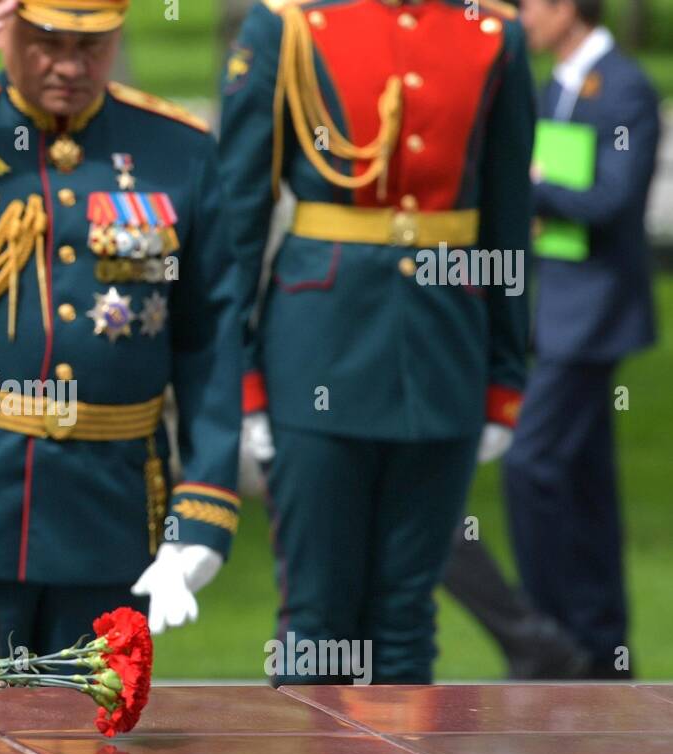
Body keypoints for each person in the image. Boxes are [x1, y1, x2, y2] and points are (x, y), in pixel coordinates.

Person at [0, 0, 244, 657]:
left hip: (114, 504)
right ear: (3, 32)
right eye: (46, 42)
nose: (69, 66)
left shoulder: (175, 147)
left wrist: (203, 511)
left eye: (92, 46)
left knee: (96, 735)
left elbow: (211, 336)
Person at [221, 0, 533, 683]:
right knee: (317, 615)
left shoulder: (493, 34)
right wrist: (239, 379)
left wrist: (507, 376)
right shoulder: (292, 25)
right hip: (316, 354)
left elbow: (507, 218)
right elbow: (238, 219)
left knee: (406, 616)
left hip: (446, 349)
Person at [505, 0, 661, 679]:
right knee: (584, 481)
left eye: (528, 4)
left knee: (529, 463)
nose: (519, 16)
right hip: (557, 308)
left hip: (592, 314)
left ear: (566, 6)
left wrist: (531, 185)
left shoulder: (622, 86)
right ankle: (601, 648)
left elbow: (615, 199)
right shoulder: (556, 85)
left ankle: (546, 640)